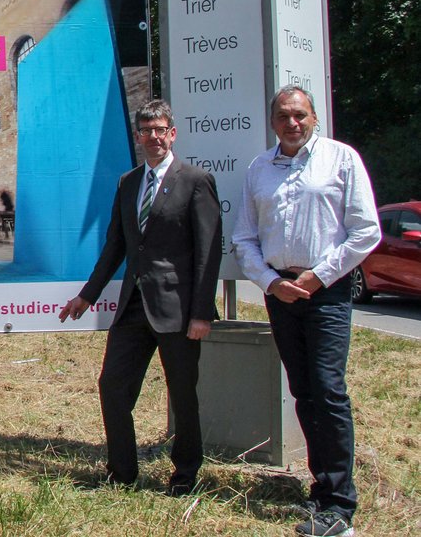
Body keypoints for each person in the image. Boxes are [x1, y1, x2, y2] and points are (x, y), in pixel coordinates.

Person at [233, 85, 380, 537]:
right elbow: (244, 238)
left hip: (326, 292)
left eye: (299, 115)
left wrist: (318, 276)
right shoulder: (260, 168)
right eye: (282, 116)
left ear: (314, 118)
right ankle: (323, 489)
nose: (291, 123)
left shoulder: (341, 159)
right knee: (303, 390)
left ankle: (339, 505)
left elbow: (365, 231)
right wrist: (271, 283)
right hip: (281, 294)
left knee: (328, 390)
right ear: (272, 121)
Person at [59, 99, 222, 496]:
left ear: (173, 133)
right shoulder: (128, 182)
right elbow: (116, 245)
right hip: (133, 306)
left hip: (179, 311)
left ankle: (184, 475)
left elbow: (209, 251)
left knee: (182, 396)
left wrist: (202, 312)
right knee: (112, 387)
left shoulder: (196, 180)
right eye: (146, 130)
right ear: (138, 137)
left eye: (160, 129)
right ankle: (121, 475)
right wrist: (87, 296)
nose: (154, 137)